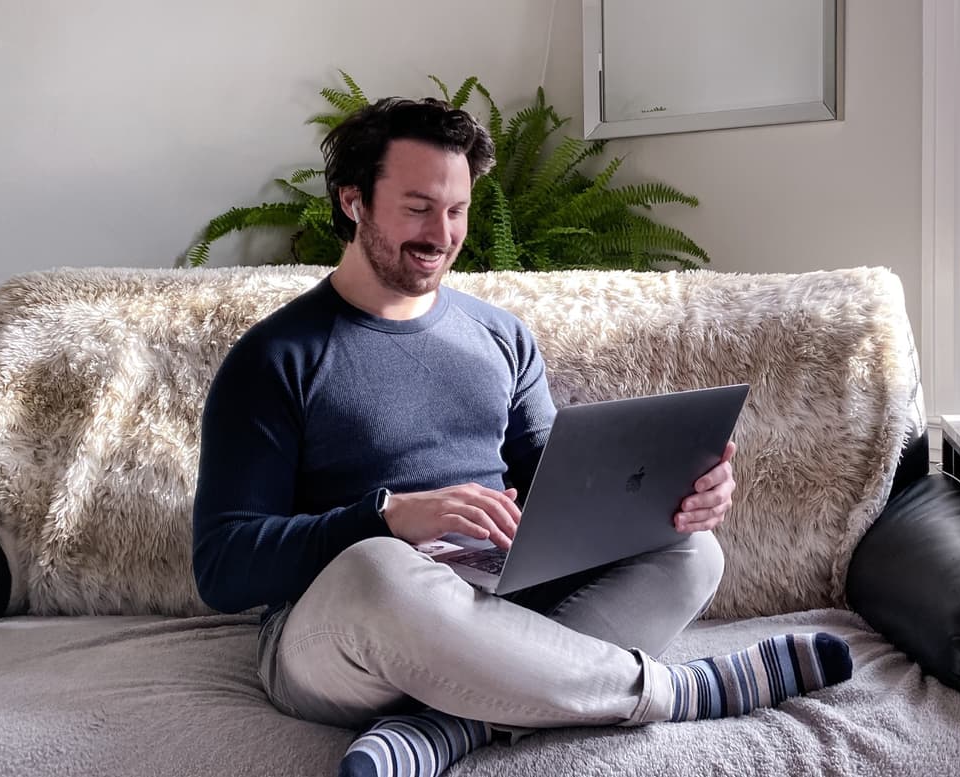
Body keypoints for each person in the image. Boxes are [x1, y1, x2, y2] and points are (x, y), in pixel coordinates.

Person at [191, 97, 853, 777]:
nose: (441, 233)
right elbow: (221, 566)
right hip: (347, 629)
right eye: (417, 207)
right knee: (379, 569)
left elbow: (552, 485)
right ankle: (669, 690)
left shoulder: (499, 336)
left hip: (494, 602)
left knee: (693, 552)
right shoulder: (276, 357)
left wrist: (673, 494)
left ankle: (450, 726)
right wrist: (386, 517)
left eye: (457, 210)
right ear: (353, 201)